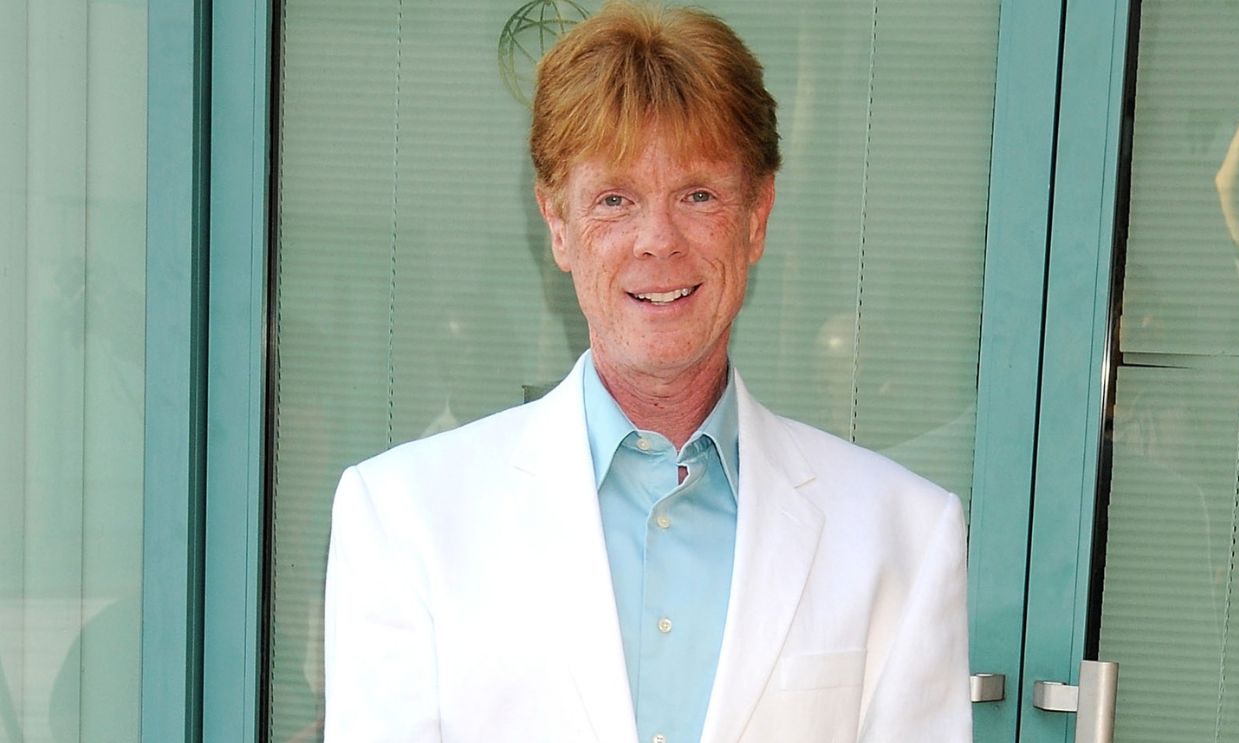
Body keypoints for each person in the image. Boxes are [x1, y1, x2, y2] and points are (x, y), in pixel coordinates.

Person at [323, 2, 972, 741]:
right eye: (614, 200)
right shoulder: (405, 519)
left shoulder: (902, 534)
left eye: (697, 194)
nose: (656, 241)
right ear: (557, 226)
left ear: (756, 216)